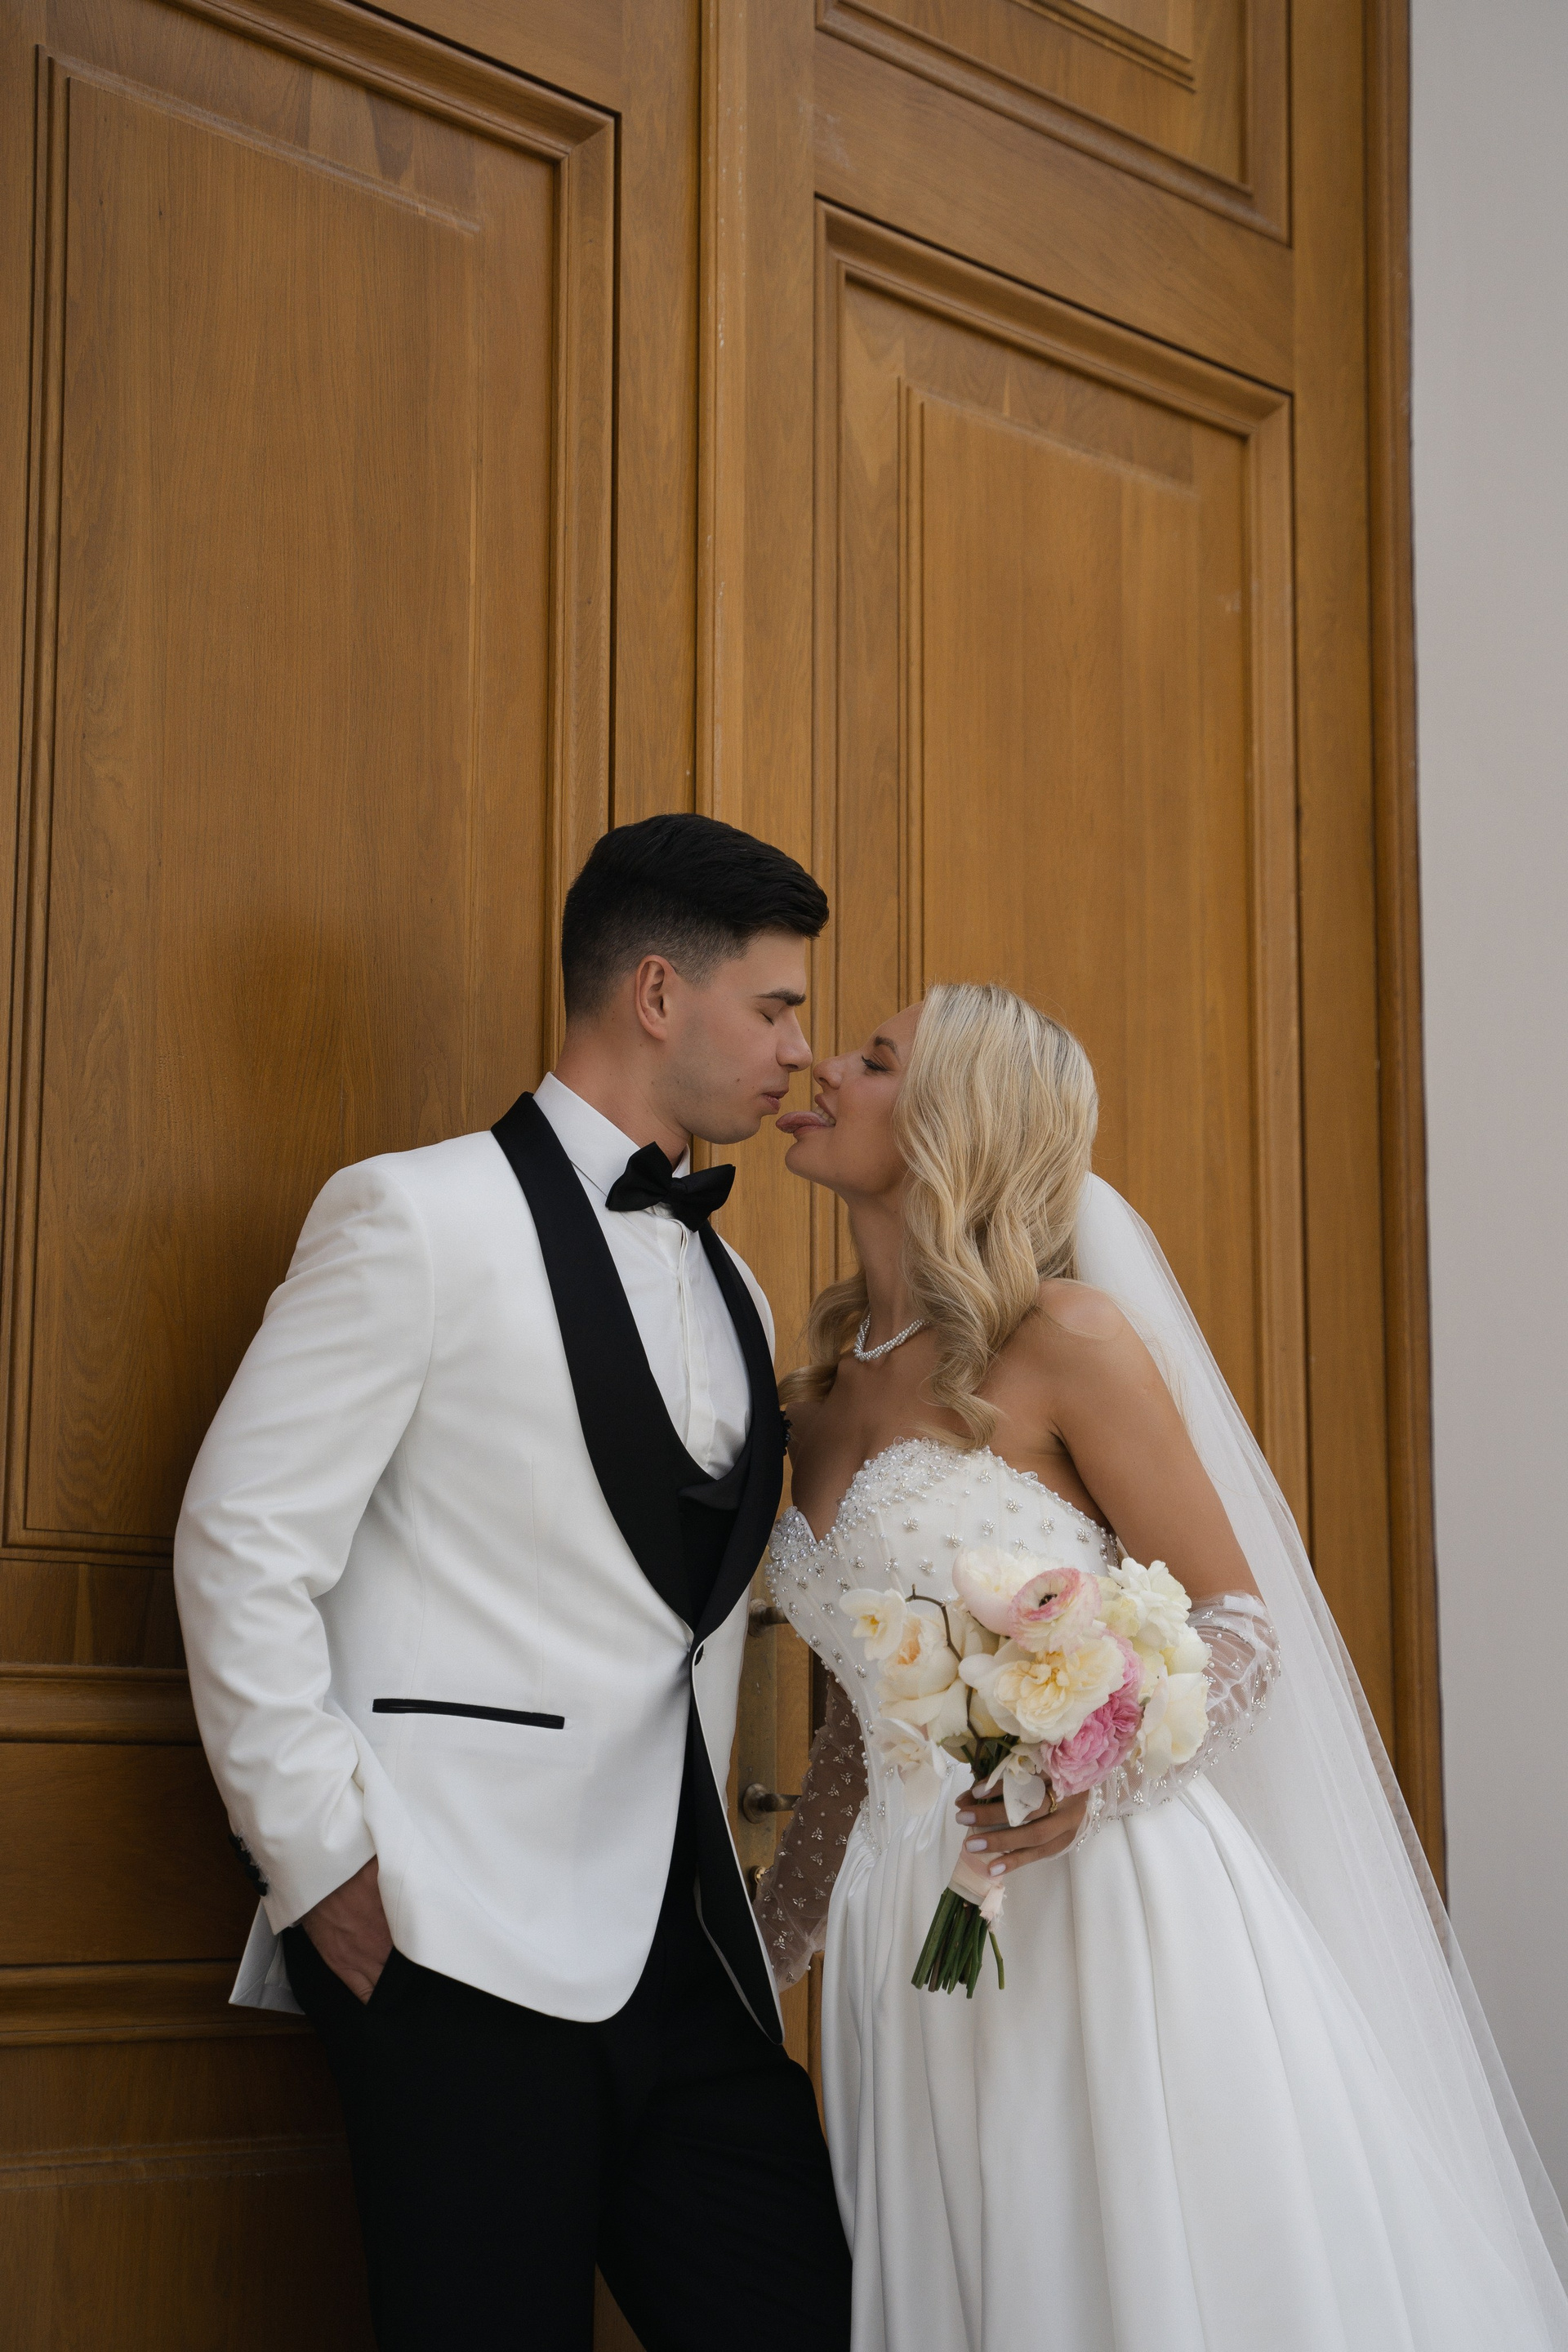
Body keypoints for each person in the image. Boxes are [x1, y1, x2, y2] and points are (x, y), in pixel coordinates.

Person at [754, 980, 1568, 2352]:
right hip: (907, 1940)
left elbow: (1244, 1623)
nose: (824, 1070)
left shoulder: (1062, 1341)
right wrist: (758, 1953)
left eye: (875, 1060)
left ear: (957, 1122)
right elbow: (855, 1736)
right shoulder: (818, 1402)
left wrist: (1094, 1767)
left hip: (1093, 1902)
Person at [174, 813, 853, 2352]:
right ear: (659, 993)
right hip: (455, 1934)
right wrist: (320, 1865)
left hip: (688, 1949)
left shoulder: (737, 1287)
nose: (799, 1052)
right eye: (776, 1007)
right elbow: (242, 1541)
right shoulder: (415, 1216)